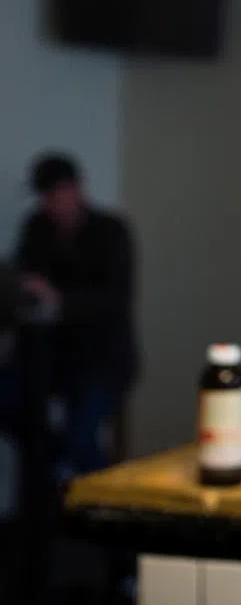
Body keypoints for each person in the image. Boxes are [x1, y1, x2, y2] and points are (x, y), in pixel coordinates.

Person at [13, 152, 137, 480]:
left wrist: (59, 300)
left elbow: (115, 300)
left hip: (103, 358)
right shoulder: (36, 228)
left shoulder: (111, 231)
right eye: (45, 197)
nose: (51, 204)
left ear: (76, 190)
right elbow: (22, 279)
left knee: (80, 440)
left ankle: (107, 498)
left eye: (56, 194)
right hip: (51, 356)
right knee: (23, 420)